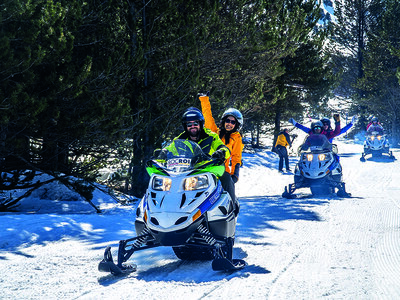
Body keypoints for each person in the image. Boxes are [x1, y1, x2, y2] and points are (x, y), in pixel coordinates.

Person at [174, 107, 238, 213]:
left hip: (208, 170)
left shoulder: (211, 136)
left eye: (195, 123)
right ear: (185, 126)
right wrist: (160, 154)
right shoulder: (179, 140)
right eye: (189, 124)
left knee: (226, 177)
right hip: (185, 173)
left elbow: (224, 148)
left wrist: (221, 152)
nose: (192, 127)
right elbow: (168, 151)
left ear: (200, 124)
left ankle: (231, 207)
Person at [198, 93, 244, 184]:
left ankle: (232, 198)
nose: (229, 124)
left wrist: (235, 174)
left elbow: (236, 157)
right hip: (206, 168)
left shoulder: (236, 138)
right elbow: (207, 117)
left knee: (228, 187)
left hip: (222, 171)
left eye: (232, 122)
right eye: (227, 120)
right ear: (223, 121)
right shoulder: (215, 132)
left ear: (236, 125)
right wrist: (204, 100)